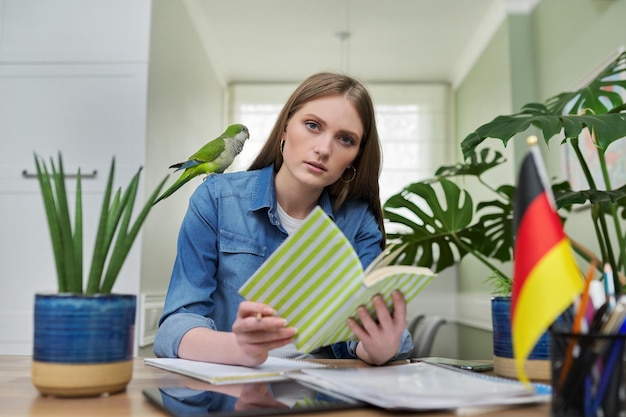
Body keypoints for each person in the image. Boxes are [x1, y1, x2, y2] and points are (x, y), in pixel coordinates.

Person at [153, 72, 414, 366]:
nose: (324, 149)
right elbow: (175, 327)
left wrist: (378, 349)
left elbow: (373, 332)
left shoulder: (358, 223)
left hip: (325, 396)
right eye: (313, 125)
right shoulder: (215, 199)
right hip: (234, 394)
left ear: (354, 157)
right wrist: (240, 349)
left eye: (345, 139)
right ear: (284, 129)